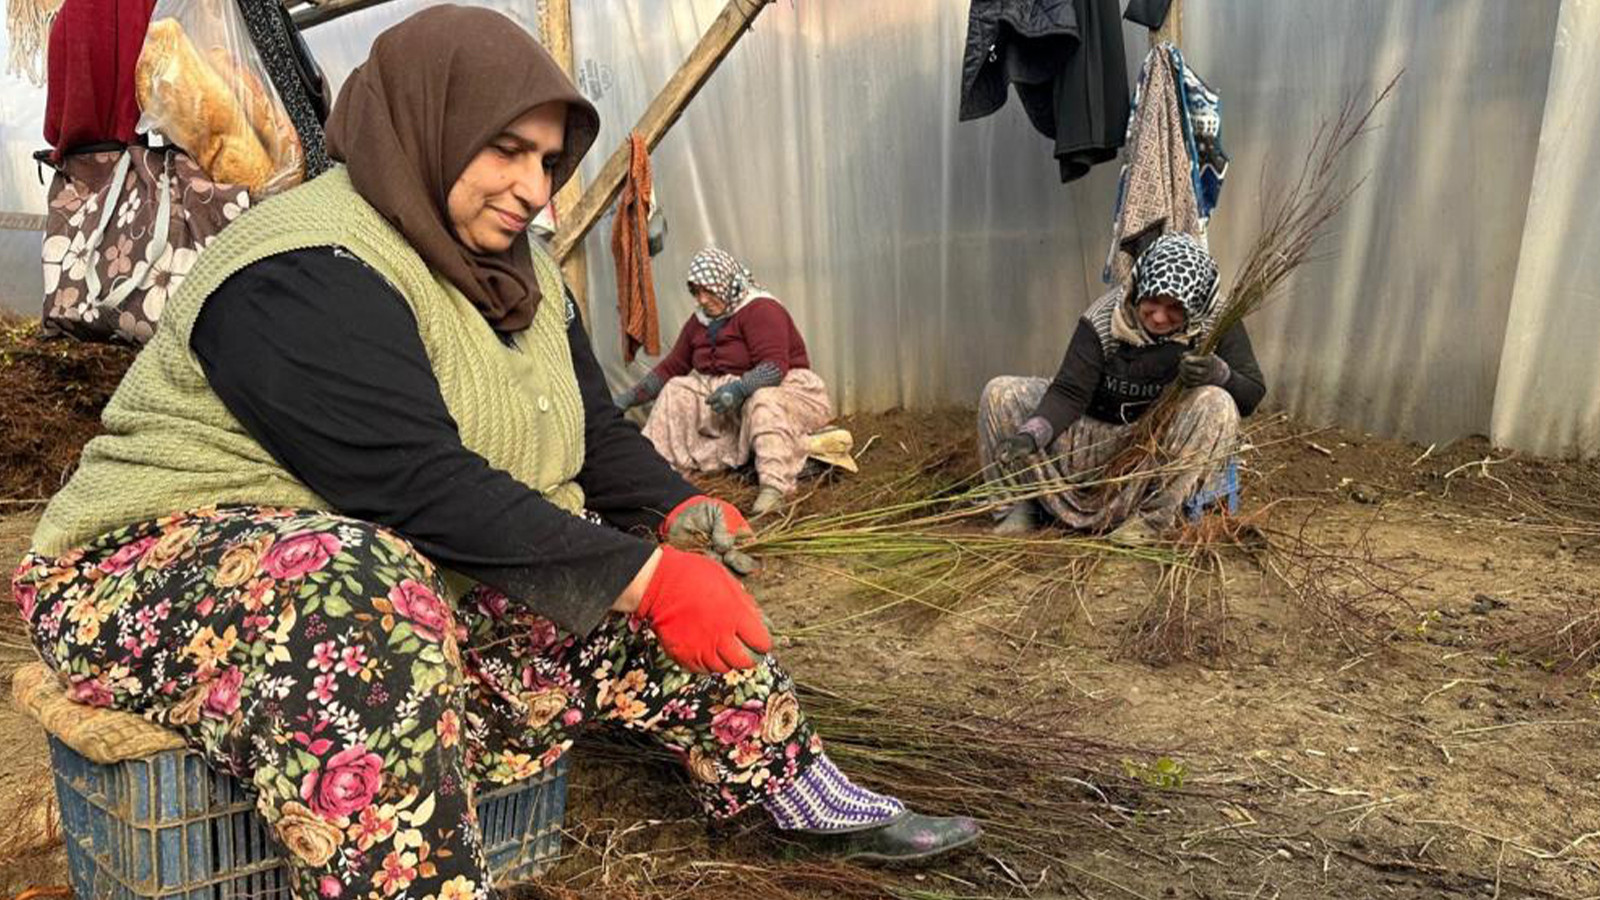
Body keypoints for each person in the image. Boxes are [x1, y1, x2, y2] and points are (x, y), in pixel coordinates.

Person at [11, 8, 978, 898]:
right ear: (426, 128)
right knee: (366, 586)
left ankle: (797, 787)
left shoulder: (519, 275)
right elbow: (406, 482)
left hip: (397, 555)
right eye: (507, 149)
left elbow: (594, 432)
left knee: (630, 579)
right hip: (149, 572)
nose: (533, 186)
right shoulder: (298, 265)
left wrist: (674, 513)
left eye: (548, 159)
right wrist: (643, 573)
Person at [978, 234, 1265, 541]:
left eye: (1174, 308)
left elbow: (1251, 396)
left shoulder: (1217, 321)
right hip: (1093, 440)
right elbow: (1068, 393)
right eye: (1152, 301)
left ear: (1195, 304)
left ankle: (1151, 522)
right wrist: (1031, 434)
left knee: (1217, 402)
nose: (1158, 317)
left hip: (1159, 448)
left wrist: (1219, 373)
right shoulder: (1105, 319)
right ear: (1139, 287)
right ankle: (1015, 510)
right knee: (1000, 394)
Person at [613, 249, 832, 517]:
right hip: (730, 396)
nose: (702, 299)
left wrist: (740, 389)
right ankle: (656, 472)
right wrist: (628, 397)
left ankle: (775, 488)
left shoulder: (761, 309)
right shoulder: (700, 321)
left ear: (726, 284)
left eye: (708, 291)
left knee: (762, 399)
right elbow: (672, 367)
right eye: (696, 292)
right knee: (677, 389)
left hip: (785, 390)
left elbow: (774, 366)